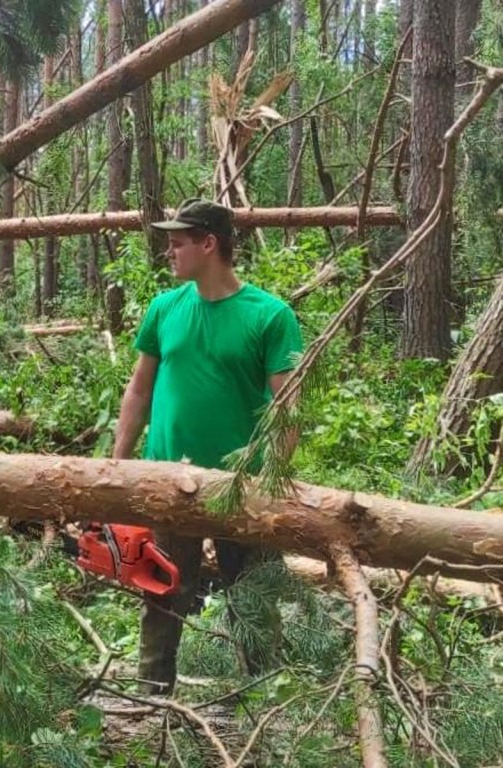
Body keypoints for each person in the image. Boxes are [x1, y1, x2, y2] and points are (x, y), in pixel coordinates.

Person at [112, 198, 304, 695]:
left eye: (177, 243)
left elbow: (288, 407)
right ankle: (151, 700)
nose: (169, 253)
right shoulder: (164, 308)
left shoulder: (270, 315)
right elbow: (139, 389)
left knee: (253, 599)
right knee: (162, 596)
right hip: (167, 483)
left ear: (209, 244)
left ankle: (263, 702)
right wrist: (118, 465)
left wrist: (274, 481)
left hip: (243, 488)